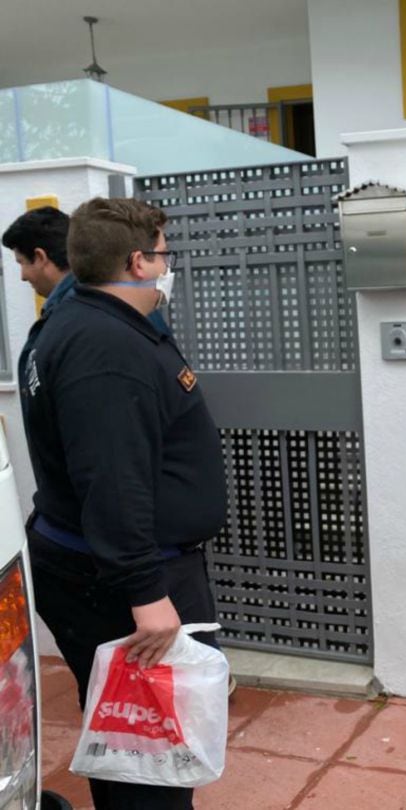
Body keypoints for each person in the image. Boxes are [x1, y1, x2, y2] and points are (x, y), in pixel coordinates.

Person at [21, 197, 226, 810]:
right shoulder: (104, 349)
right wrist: (147, 593)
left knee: (131, 743)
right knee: (150, 757)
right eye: (163, 252)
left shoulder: (84, 322)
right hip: (125, 581)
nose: (168, 264)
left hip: (111, 567)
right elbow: (112, 481)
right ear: (138, 261)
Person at [2, 206, 171, 416]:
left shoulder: (85, 317)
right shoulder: (98, 305)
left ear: (40, 256)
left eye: (22, 263)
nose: (22, 276)